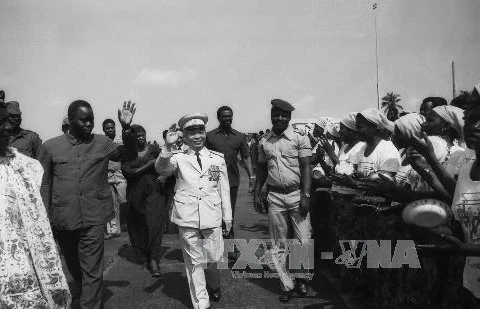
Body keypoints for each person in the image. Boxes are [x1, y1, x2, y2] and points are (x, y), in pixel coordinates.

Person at [40, 100, 137, 309]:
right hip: (63, 217)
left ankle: (89, 304)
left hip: (94, 215)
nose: (89, 124)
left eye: (91, 120)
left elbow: (129, 154)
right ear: (70, 119)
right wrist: (44, 217)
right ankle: (84, 289)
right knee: (74, 266)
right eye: (84, 120)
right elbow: (45, 184)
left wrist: (127, 128)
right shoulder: (50, 147)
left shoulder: (102, 142)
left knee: (92, 269)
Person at [155, 113, 232, 309]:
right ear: (185, 136)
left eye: (200, 131)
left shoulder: (217, 159)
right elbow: (162, 170)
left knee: (213, 259)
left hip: (212, 215)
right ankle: (201, 302)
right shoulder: (177, 157)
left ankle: (214, 284)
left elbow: (223, 188)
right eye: (192, 133)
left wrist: (228, 217)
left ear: (205, 133)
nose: (197, 136)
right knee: (194, 262)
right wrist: (167, 147)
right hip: (187, 216)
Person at [0, 100, 72, 308]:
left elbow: (45, 181)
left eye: (8, 120)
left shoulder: (24, 163)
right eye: (2, 121)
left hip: (27, 247)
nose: (8, 127)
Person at [254, 99, 312, 303]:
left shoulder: (300, 138)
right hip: (275, 196)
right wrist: (257, 192)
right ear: (271, 116)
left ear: (289, 118)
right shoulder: (264, 141)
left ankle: (302, 277)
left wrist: (306, 195)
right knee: (278, 243)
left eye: (284, 115)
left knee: (303, 240)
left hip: (296, 194)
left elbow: (306, 168)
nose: (280, 118)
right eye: (276, 114)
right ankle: (286, 284)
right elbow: (262, 169)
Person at [206, 106, 255, 248]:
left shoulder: (239, 136)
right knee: (214, 211)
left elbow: (246, 157)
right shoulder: (210, 136)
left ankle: (229, 242)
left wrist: (251, 176)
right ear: (218, 118)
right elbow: (205, 158)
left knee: (229, 211)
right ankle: (215, 243)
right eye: (224, 116)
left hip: (232, 180)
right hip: (213, 180)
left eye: (229, 116)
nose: (227, 118)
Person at [122, 124, 165, 277]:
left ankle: (154, 260)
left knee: (154, 225)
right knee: (138, 227)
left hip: (154, 192)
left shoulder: (154, 149)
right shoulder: (127, 153)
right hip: (135, 195)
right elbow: (129, 173)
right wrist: (149, 164)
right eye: (137, 134)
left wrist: (165, 174)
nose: (140, 136)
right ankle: (143, 257)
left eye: (142, 134)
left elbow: (164, 165)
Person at [103, 118, 127, 239]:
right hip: (107, 176)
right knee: (111, 204)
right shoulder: (101, 143)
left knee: (124, 201)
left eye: (112, 128)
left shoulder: (121, 142)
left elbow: (127, 157)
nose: (110, 130)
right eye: (108, 128)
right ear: (104, 130)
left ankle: (128, 224)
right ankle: (114, 230)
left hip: (120, 175)